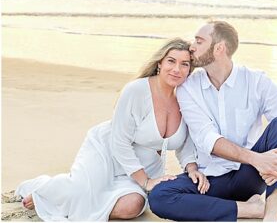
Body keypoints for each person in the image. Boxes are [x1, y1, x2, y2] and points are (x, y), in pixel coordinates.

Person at [16, 39, 201, 221]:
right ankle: (49, 190)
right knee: (80, 190)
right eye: (171, 61)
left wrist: (191, 168)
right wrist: (145, 182)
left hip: (147, 165)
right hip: (107, 151)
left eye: (184, 64)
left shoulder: (187, 97)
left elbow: (184, 143)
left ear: (189, 70)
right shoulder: (136, 90)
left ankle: (68, 199)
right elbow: (119, 142)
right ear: (160, 63)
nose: (177, 69)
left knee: (132, 207)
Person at [148, 21, 277, 222]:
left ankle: (272, 213)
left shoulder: (256, 81)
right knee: (159, 197)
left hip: (251, 176)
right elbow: (206, 138)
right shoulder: (188, 88)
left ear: (219, 48)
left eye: (199, 41)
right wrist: (256, 158)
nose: (192, 47)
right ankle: (253, 210)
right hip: (209, 180)